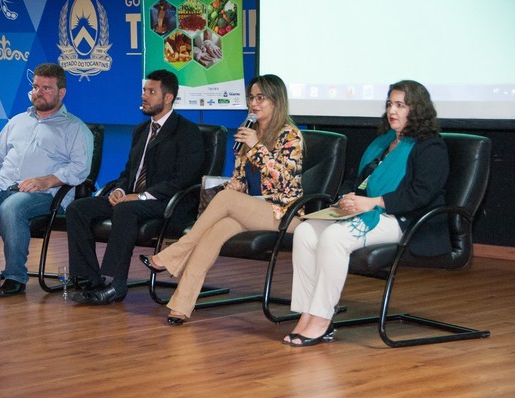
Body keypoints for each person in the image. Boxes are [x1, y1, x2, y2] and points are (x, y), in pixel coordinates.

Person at [284, 80, 451, 347]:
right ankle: (307, 312)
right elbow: (357, 179)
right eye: (389, 104)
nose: (392, 111)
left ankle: (322, 318)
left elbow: (420, 194)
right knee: (305, 232)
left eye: (400, 105)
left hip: (404, 220)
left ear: (416, 110)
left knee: (334, 238)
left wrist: (373, 203)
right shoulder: (382, 143)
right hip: (368, 211)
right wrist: (347, 198)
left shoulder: (430, 146)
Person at [139, 74, 304, 325]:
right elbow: (241, 180)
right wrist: (229, 185)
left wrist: (257, 147)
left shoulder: (290, 136)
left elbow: (286, 182)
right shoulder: (247, 131)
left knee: (226, 200)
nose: (254, 103)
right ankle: (181, 307)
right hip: (251, 208)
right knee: (214, 232)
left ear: (277, 101)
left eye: (261, 98)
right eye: (251, 97)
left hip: (284, 213)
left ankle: (172, 254)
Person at [0, 63, 93, 297]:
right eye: (36, 86)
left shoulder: (75, 128)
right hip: (2, 185)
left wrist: (47, 180)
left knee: (11, 208)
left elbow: (80, 168)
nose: (39, 92)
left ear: (61, 92)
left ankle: (15, 276)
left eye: (47, 88)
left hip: (43, 194)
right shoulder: (17, 120)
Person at [66, 69, 205, 305]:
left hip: (168, 203)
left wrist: (139, 196)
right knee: (78, 208)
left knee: (125, 209)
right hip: (133, 199)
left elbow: (182, 179)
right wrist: (120, 190)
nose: (144, 96)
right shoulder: (141, 130)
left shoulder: (187, 132)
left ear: (168, 97)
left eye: (151, 91)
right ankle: (90, 279)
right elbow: (129, 172)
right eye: (144, 90)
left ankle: (116, 283)